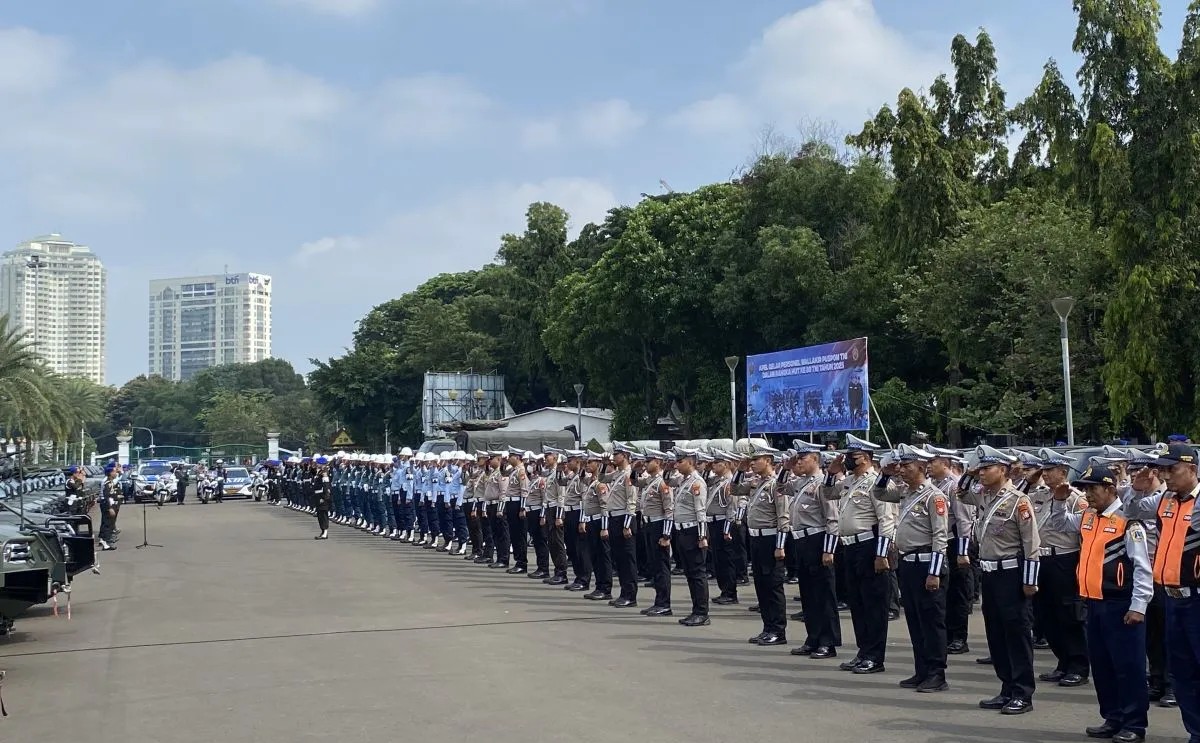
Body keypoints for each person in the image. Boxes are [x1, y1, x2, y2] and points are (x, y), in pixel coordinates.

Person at [1048, 462, 1152, 743]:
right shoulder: (1089, 517)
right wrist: (1059, 499)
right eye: (1084, 489)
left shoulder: (1128, 521)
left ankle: (1134, 723)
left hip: (1120, 605)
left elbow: (1142, 568)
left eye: (1092, 489)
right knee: (1103, 666)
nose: (1088, 495)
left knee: (1128, 667)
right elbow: (1058, 524)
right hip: (1093, 603)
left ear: (1109, 488)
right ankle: (1113, 717)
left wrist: (1138, 606)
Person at [956, 445, 1040, 715]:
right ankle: (1006, 687)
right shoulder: (985, 497)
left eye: (987, 468)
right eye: (980, 469)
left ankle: (1022, 693)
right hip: (990, 572)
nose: (982, 473)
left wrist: (1029, 582)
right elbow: (961, 492)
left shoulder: (1019, 501)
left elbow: (1032, 546)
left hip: (1011, 573)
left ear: (1002, 471)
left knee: (1016, 634)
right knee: (996, 634)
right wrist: (969, 472)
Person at [875, 445, 950, 692]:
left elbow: (940, 536)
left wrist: (934, 572)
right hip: (908, 564)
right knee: (916, 622)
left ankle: (937, 673)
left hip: (927, 563)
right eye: (901, 466)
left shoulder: (934, 496)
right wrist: (885, 474)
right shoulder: (905, 492)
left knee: (932, 622)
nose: (902, 471)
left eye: (907, 466)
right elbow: (879, 494)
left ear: (921, 467)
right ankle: (922, 670)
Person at [821, 434, 893, 674]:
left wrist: (881, 555)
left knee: (873, 604)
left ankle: (875, 656)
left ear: (867, 458)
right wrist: (831, 473)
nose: (848, 460)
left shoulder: (878, 483)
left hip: (869, 547)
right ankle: (863, 651)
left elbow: (886, 521)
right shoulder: (850, 481)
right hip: (849, 547)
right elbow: (828, 494)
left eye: (853, 456)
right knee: (858, 603)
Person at [785, 441, 839, 659]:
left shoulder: (823, 484)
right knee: (808, 593)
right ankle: (813, 637)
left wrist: (829, 550)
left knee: (823, 594)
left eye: (803, 459)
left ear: (815, 460)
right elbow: (781, 487)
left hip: (818, 540)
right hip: (801, 541)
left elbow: (832, 519)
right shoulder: (801, 482)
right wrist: (786, 467)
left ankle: (828, 642)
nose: (799, 462)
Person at [736, 444, 789, 645]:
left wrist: (780, 546)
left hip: (771, 539)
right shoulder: (755, 482)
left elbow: (783, 517)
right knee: (761, 585)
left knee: (773, 586)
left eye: (756, 460)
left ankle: (778, 629)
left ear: (768, 460)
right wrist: (740, 470)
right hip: (756, 538)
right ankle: (767, 627)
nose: (752, 464)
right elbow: (734, 489)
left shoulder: (777, 485)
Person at [671, 448, 711, 627]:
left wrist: (702, 536)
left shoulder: (697, 482)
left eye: (680, 461)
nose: (676, 464)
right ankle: (696, 610)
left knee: (697, 574)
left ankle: (702, 613)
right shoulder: (683, 481)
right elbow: (666, 480)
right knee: (689, 573)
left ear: (691, 462)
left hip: (693, 531)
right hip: (682, 531)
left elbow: (700, 511)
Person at [313, 455, 331, 540]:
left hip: (322, 496)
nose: (316, 464)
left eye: (318, 463)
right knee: (320, 515)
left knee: (323, 514)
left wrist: (324, 497)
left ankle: (325, 532)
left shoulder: (324, 472)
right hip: (317, 495)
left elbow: (326, 486)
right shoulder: (319, 472)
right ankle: (322, 531)